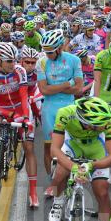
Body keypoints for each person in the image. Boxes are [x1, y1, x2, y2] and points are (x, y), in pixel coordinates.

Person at [47, 96, 111, 221]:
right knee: (60, 173)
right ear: (87, 123)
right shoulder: (65, 113)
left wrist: (91, 166)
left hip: (96, 147)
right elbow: (54, 150)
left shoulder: (108, 118)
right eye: (100, 125)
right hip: (72, 143)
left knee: (102, 192)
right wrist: (74, 167)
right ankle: (58, 201)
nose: (106, 125)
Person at [0, 42, 39, 207]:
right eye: (9, 61)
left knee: (29, 148)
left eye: (14, 60)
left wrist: (26, 118)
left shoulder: (20, 71)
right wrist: (8, 114)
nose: (13, 64)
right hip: (1, 110)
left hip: (21, 110)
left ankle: (33, 193)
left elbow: (23, 97)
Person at [36, 29, 84, 188]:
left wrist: (54, 87)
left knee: (72, 145)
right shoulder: (41, 62)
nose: (47, 54)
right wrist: (67, 83)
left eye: (50, 52)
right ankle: (52, 182)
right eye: (45, 51)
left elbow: (79, 89)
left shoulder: (74, 60)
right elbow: (44, 90)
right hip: (50, 109)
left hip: (70, 107)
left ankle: (71, 175)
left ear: (59, 48)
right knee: (49, 147)